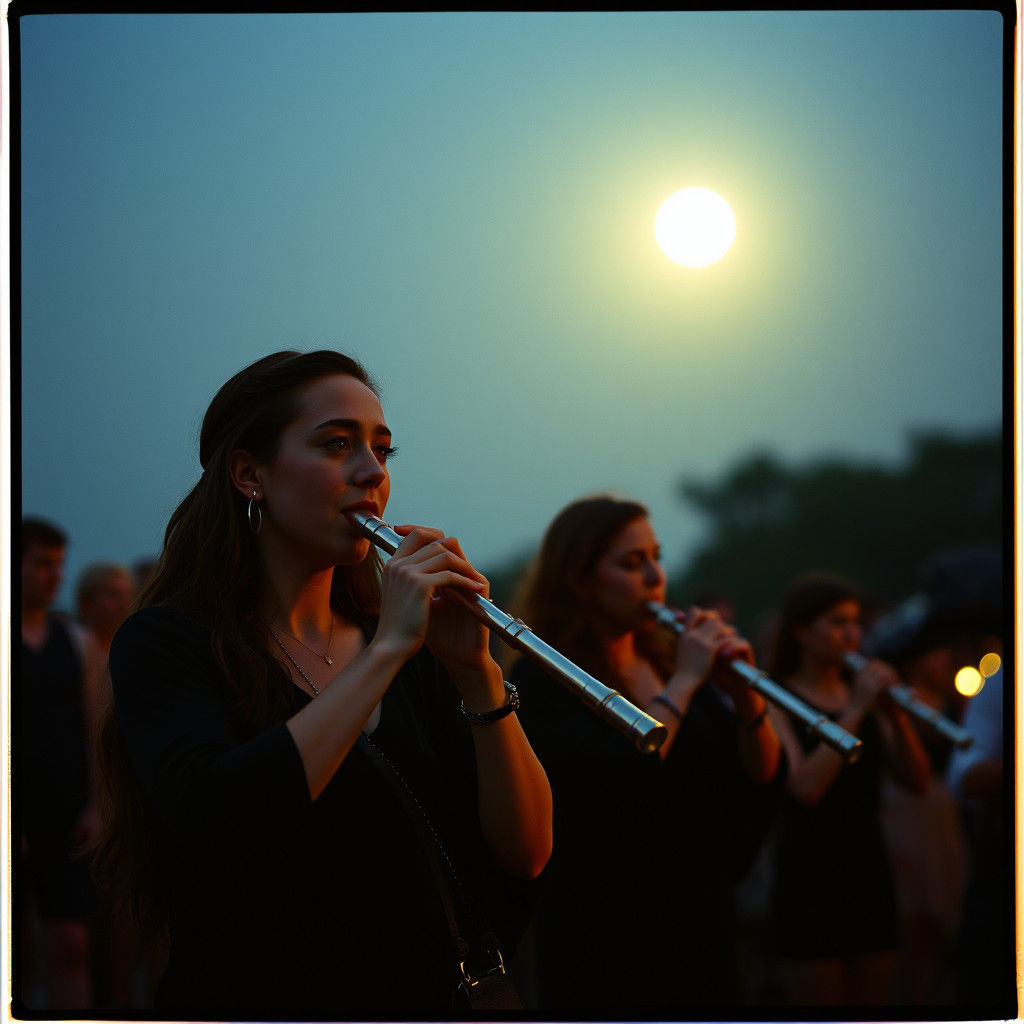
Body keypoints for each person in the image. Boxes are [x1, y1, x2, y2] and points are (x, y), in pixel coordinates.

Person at [91, 350, 553, 1018]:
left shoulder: (406, 654)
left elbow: (528, 852)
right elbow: (222, 816)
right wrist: (389, 647)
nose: (371, 472)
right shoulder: (168, 643)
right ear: (250, 473)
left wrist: (478, 673)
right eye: (337, 445)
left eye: (383, 451)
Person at [508, 494, 785, 1012]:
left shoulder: (668, 662)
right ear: (580, 579)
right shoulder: (545, 679)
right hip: (606, 923)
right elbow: (615, 776)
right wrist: (685, 679)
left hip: (699, 910)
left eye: (656, 557)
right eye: (631, 563)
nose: (655, 576)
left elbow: (763, 776)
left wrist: (746, 696)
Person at [765, 573, 931, 1007]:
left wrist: (896, 717)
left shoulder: (867, 699)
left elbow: (917, 781)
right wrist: (857, 708)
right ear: (802, 631)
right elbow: (804, 787)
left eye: (856, 622)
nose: (852, 634)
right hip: (809, 875)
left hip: (868, 867)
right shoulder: (775, 697)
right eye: (838, 622)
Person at [18, 517, 105, 1011]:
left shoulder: (76, 641)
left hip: (67, 815)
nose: (54, 576)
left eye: (58, 566)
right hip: (17, 813)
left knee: (71, 944)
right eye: (41, 564)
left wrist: (95, 803)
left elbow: (92, 728)